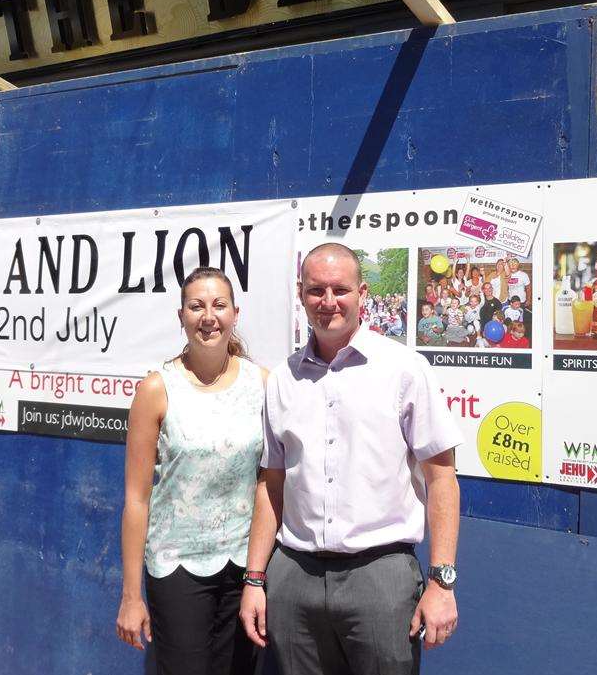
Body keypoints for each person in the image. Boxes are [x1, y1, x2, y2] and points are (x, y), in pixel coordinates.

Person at [240, 242, 462, 675]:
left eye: (339, 290)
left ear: (362, 294)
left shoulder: (403, 369)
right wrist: (254, 579)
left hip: (380, 578)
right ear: (301, 294)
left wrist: (442, 581)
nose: (328, 302)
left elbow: (442, 479)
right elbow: (271, 483)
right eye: (316, 291)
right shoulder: (283, 379)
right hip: (293, 577)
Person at [116, 266, 265, 675]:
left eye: (219, 305)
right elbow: (136, 499)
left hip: (244, 569)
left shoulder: (263, 384)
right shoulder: (155, 390)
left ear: (235, 313)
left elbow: (272, 481)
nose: (208, 316)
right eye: (196, 306)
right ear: (181, 316)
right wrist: (131, 595)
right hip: (177, 568)